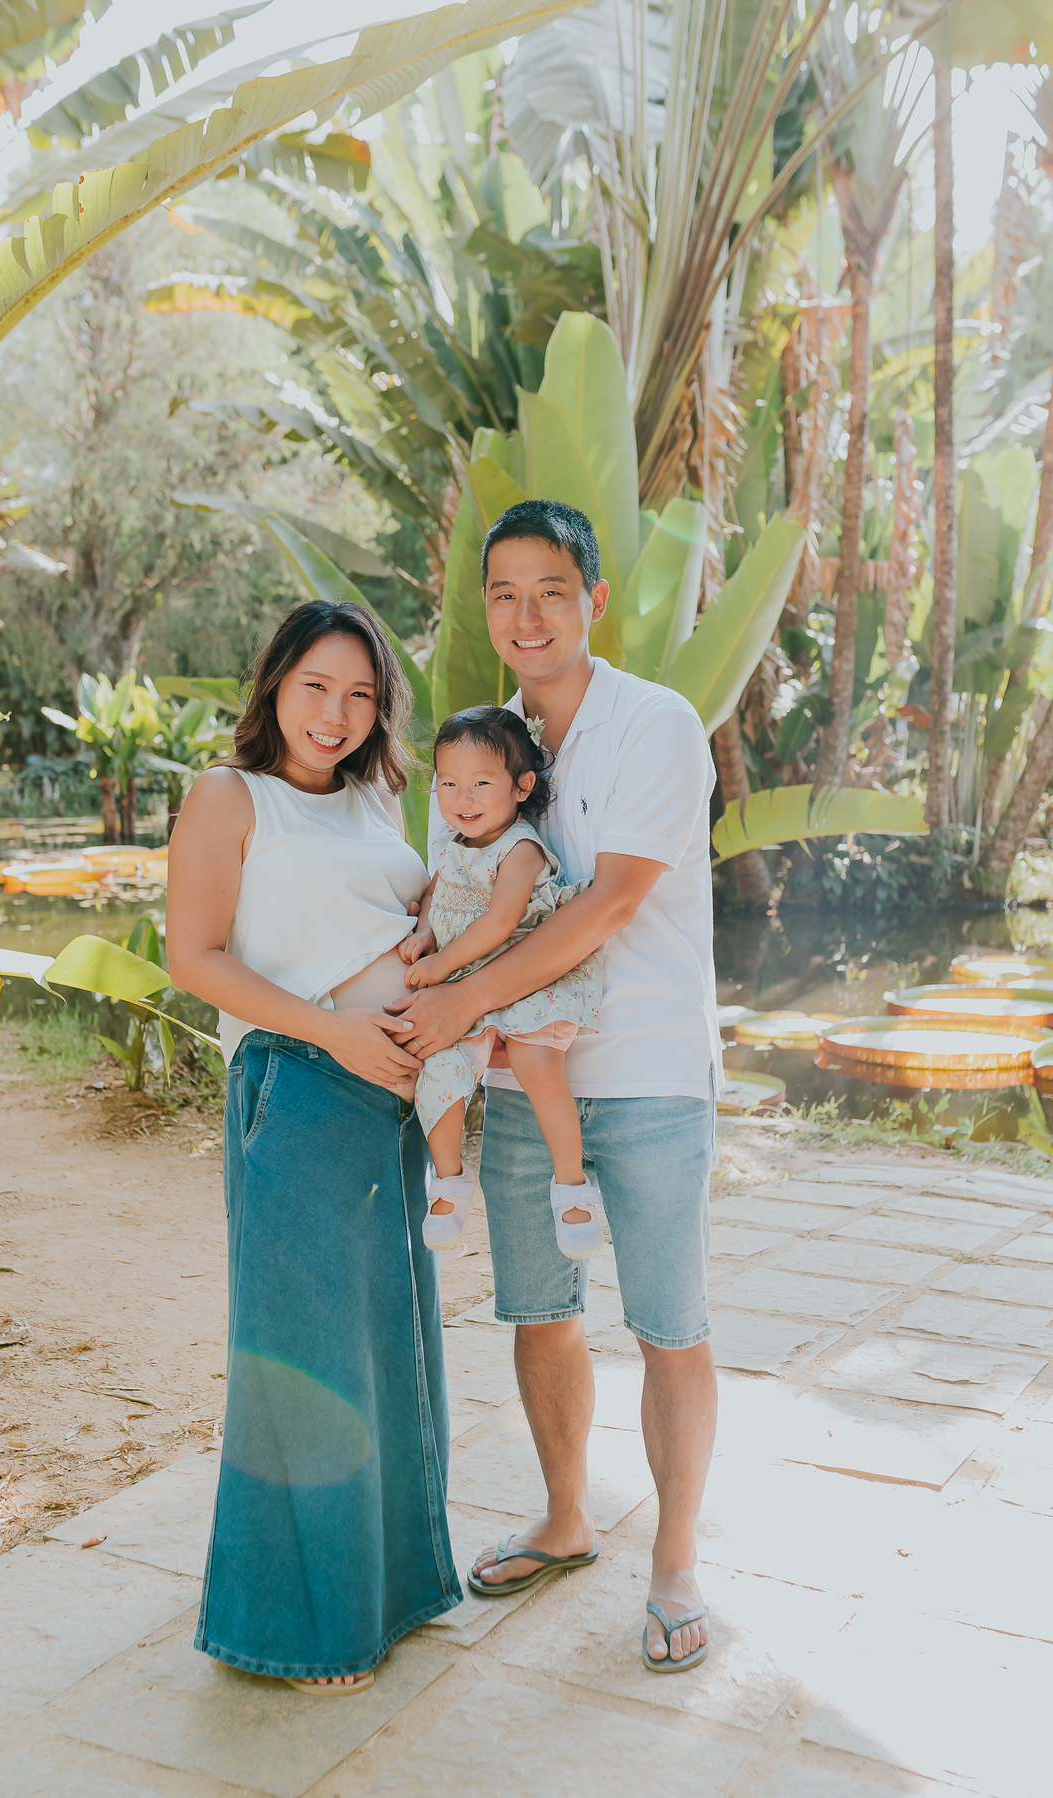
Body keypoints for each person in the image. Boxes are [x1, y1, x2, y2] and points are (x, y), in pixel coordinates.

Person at [389, 499, 722, 1672]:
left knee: (669, 1324)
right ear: (485, 610)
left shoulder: (655, 724)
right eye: (504, 594)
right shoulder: (487, 745)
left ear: (595, 600)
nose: (526, 616)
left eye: (551, 591)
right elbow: (458, 892)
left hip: (648, 1072)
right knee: (541, 1308)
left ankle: (675, 1561)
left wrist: (460, 1001)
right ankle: (566, 1517)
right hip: (526, 1078)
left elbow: (611, 901)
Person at [166, 599, 462, 1695]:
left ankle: (393, 1591)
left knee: (389, 1346)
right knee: (300, 1361)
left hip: (391, 1103)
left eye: (361, 695)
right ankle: (299, 1630)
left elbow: (396, 919)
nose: (336, 714)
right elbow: (194, 957)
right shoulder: (228, 795)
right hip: (298, 1085)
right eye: (316, 687)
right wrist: (336, 1029)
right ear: (275, 684)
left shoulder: (378, 796)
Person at [400, 704, 604, 1256]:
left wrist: (441, 965)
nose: (462, 798)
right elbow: (438, 892)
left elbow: (500, 921)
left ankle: (572, 1187)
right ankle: (449, 1180)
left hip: (524, 976)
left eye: (481, 783)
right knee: (439, 1069)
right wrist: (426, 933)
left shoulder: (520, 849)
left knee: (538, 1065)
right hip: (466, 981)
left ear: (522, 786)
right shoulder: (451, 843)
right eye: (448, 783)